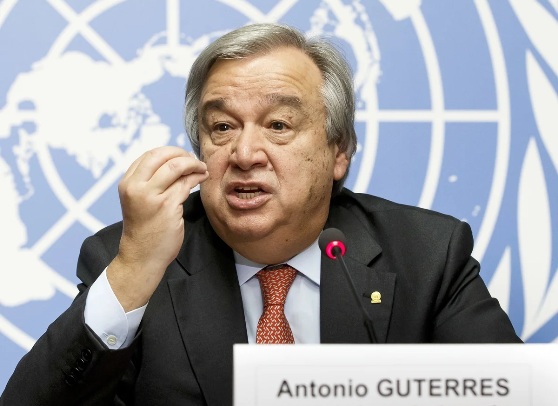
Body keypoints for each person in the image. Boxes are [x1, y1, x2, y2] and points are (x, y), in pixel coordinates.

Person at [0, 23, 521, 406]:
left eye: (278, 125)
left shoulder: (426, 255)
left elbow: (512, 393)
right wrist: (133, 270)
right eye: (222, 128)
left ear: (339, 151)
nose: (245, 154)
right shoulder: (135, 261)